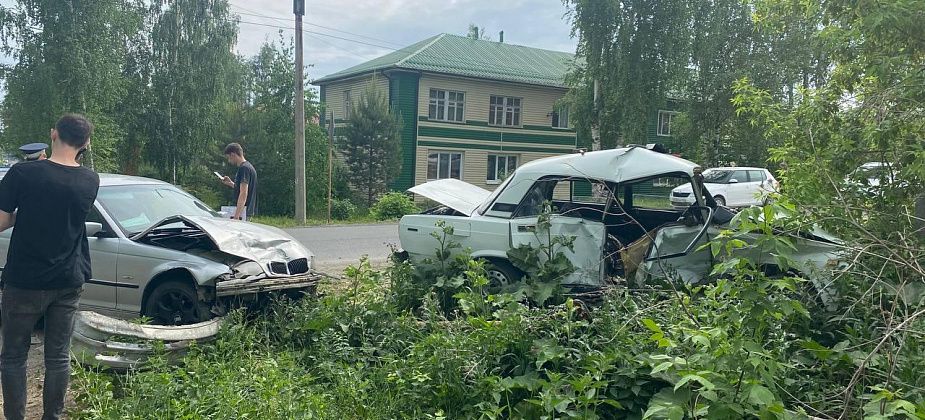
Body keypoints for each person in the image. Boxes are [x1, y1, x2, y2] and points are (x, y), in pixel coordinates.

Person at [0, 114, 99, 420]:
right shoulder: (90, 180)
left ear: (53, 134)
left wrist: (20, 215)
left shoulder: (23, 173)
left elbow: (1, 220)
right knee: (57, 357)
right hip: (68, 279)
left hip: (24, 280)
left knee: (14, 356)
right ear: (85, 144)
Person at [220, 142, 257, 220]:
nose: (229, 161)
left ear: (233, 154)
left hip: (242, 213)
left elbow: (243, 193)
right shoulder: (249, 167)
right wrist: (231, 183)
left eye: (228, 157)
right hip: (246, 211)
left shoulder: (244, 168)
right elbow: (244, 188)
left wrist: (236, 216)